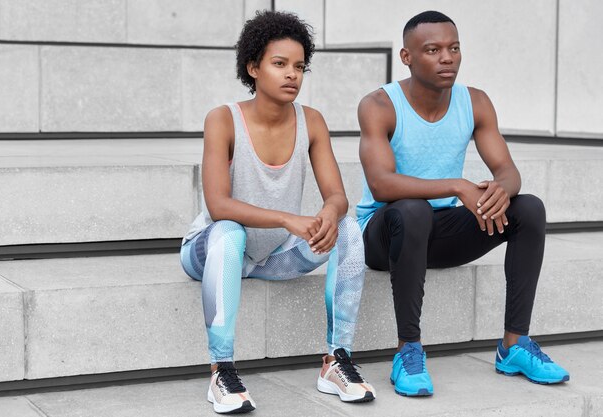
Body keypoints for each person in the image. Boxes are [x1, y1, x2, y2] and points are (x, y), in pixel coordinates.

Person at [356, 10, 569, 397]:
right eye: (433, 49)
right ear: (407, 57)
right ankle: (408, 350)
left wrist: (500, 190)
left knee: (529, 209)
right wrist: (458, 184)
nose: (447, 58)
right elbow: (382, 184)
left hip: (437, 230)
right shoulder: (379, 105)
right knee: (412, 209)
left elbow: (507, 170)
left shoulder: (475, 102)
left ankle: (514, 345)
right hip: (383, 235)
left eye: (454, 48)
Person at [180, 10, 375, 414]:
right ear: (253, 67)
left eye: (300, 66)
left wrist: (326, 214)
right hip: (211, 248)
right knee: (231, 232)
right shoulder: (223, 119)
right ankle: (222, 370)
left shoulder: (312, 121)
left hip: (272, 256)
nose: (292, 75)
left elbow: (337, 195)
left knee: (350, 228)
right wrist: (288, 218)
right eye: (279, 64)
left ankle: (336, 360)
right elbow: (219, 206)